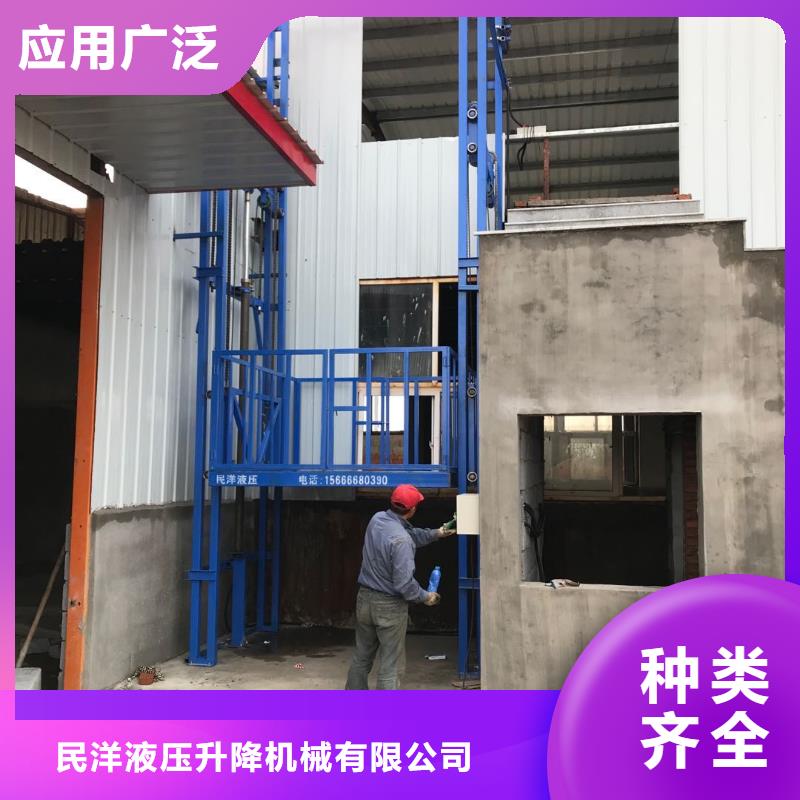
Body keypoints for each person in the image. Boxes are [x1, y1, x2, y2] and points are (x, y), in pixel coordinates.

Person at [345, 484, 455, 690]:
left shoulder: (377, 519)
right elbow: (404, 584)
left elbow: (408, 534)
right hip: (389, 607)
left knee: (361, 657)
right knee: (391, 665)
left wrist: (437, 533)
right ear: (412, 510)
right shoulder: (402, 541)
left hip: (365, 600)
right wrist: (426, 597)